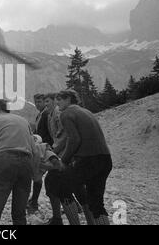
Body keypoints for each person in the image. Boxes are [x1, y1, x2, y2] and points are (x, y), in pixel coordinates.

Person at [51, 90, 112, 225]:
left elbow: (74, 139)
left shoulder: (66, 114)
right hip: (105, 159)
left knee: (61, 187)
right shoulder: (86, 112)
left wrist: (63, 161)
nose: (57, 103)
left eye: (60, 99)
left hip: (88, 160)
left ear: (68, 99)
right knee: (96, 202)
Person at [0, 99, 34, 225]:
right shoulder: (23, 120)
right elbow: (33, 147)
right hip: (27, 162)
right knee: (19, 213)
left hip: (5, 160)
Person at [27, 94, 53, 212]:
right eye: (36, 102)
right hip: (43, 148)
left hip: (46, 149)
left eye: (40, 101)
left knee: (37, 176)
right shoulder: (40, 115)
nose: (38, 104)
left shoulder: (46, 114)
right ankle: (34, 201)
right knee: (39, 176)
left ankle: (34, 202)